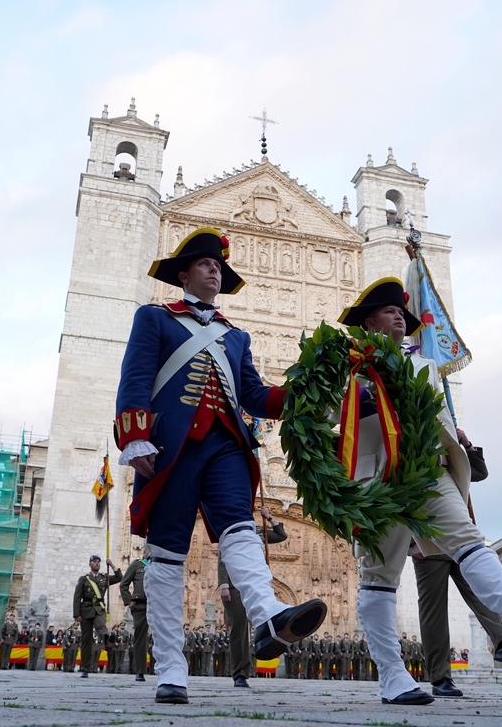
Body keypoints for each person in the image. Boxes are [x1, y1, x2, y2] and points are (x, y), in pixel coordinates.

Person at [341, 279, 502, 706]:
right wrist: (359, 398)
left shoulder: (425, 367)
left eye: (402, 312)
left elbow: (436, 417)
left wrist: (454, 438)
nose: (400, 316)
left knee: (470, 543)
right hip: (377, 480)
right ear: (368, 322)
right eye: (388, 311)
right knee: (379, 578)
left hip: (427, 471)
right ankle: (393, 677)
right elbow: (330, 418)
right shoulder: (347, 365)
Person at [115, 228, 327, 704]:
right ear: (184, 274)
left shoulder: (236, 336)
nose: (215, 270)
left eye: (219, 267)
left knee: (240, 526)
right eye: (206, 264)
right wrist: (134, 438)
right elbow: (135, 378)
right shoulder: (155, 319)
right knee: (167, 553)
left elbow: (253, 394)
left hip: (228, 443)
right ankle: (171, 667)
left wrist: (307, 391)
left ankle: (270, 612)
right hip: (171, 446)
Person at [412, 539, 502, 697]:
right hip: (428, 546)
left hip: (461, 544)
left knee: (481, 594)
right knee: (434, 612)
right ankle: (440, 678)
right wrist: (413, 542)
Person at [217, 504, 288, 688]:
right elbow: (223, 556)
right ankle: (239, 674)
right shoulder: (231, 528)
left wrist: (270, 517)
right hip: (234, 584)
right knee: (239, 626)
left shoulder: (257, 531)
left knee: (265, 617)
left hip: (254, 581)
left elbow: (281, 536)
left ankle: (262, 657)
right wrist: (223, 584)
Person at [73, 554, 121, 678]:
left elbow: (119, 577)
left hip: (99, 609)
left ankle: (107, 639)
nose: (97, 563)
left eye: (98, 562)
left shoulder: (104, 578)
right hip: (86, 609)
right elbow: (77, 597)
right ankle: (85, 668)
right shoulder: (84, 579)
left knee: (100, 625)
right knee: (86, 640)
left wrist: (112, 565)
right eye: (94, 561)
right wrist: (76, 614)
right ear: (90, 564)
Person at [119, 545, 150, 681]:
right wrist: (129, 601)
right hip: (141, 605)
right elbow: (123, 584)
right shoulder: (137, 565)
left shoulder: (159, 566)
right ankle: (140, 671)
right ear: (144, 552)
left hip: (157, 605)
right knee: (140, 638)